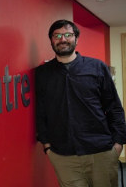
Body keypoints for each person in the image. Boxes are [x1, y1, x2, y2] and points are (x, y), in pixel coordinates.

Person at [35, 19, 126, 187]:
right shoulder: (42, 73)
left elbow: (114, 107)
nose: (63, 39)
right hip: (63, 156)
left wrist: (118, 143)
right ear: (51, 40)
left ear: (76, 39)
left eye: (68, 34)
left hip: (101, 152)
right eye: (57, 35)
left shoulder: (97, 67)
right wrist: (47, 146)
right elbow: (41, 111)